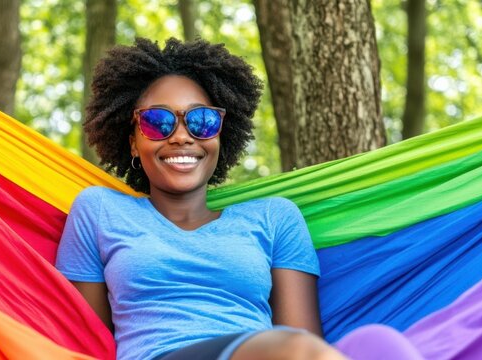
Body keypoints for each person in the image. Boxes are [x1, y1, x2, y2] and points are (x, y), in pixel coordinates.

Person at [56, 38, 346, 360]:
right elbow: (83, 339)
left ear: (221, 135)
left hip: (268, 354)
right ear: (134, 143)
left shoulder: (275, 218)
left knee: (372, 340)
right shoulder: (99, 210)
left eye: (202, 122)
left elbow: (305, 339)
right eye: (157, 122)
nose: (181, 136)